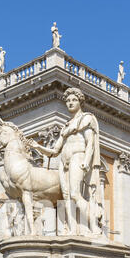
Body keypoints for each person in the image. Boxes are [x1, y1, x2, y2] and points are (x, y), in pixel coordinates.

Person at [31, 87, 102, 234]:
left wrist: (86, 161)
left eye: (74, 100)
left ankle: (94, 224)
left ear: (80, 102)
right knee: (67, 196)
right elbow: (55, 151)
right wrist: (38, 147)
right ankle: (71, 229)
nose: (70, 103)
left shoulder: (86, 119)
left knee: (75, 194)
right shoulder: (66, 126)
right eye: (68, 100)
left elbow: (90, 143)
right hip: (64, 161)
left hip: (78, 156)